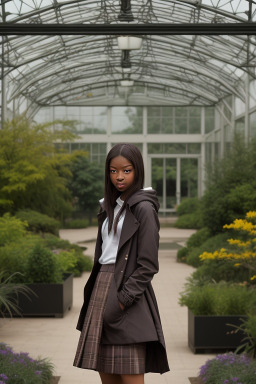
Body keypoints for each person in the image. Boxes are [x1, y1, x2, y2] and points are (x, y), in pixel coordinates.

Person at [73, 143, 169, 384]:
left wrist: (123, 301)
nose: (119, 177)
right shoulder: (109, 207)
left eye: (126, 170)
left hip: (127, 294)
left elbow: (148, 264)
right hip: (101, 288)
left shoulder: (144, 208)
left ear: (137, 170)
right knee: (107, 376)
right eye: (113, 171)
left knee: (130, 376)